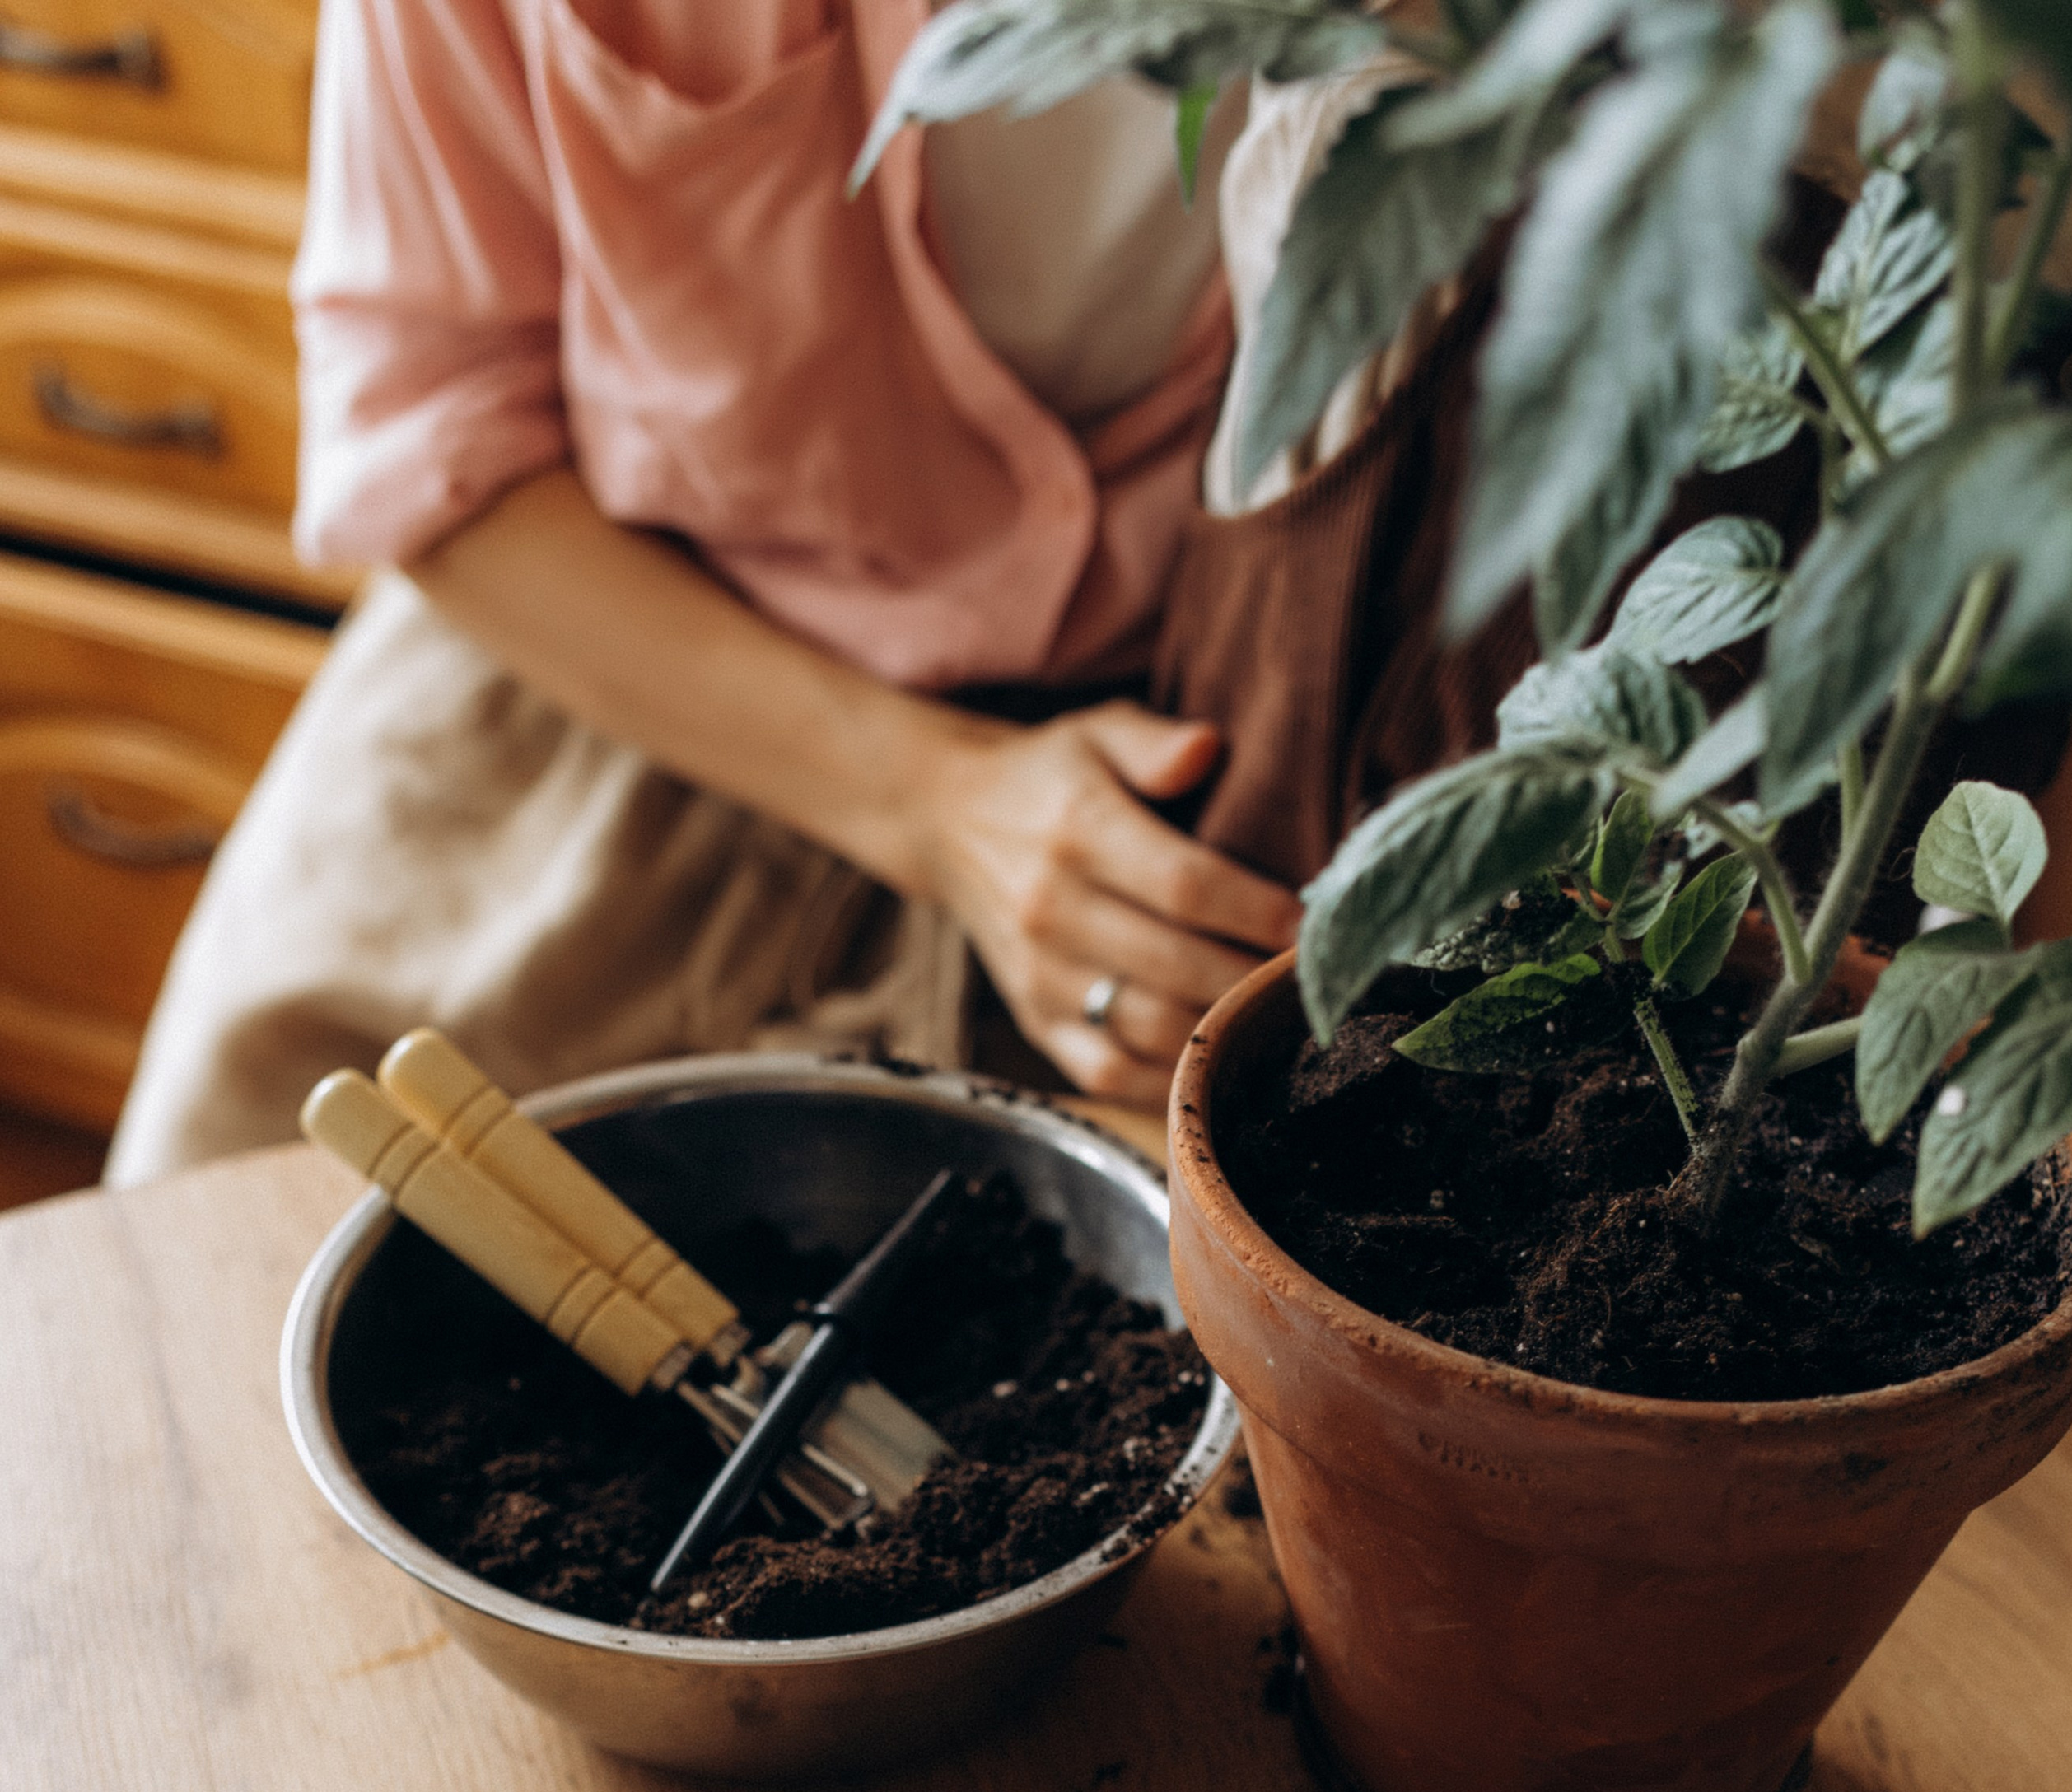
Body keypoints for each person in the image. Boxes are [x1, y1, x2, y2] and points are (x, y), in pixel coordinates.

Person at [105, 2, 1304, 1183]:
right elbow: (428, 419)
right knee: (227, 1238)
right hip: (607, 651)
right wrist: (937, 803)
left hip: (1168, 738)